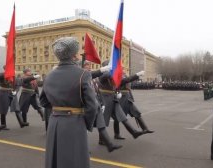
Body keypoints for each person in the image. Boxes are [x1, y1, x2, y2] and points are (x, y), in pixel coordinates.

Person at [40, 37, 99, 168]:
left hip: (54, 122)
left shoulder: (49, 75)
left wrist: (58, 109)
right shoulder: (84, 74)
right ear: (74, 55)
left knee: (55, 160)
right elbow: (92, 106)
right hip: (75, 122)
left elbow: (43, 100)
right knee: (75, 160)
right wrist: (87, 124)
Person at [97, 60, 144, 140]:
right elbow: (107, 75)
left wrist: (136, 75)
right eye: (110, 66)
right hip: (105, 99)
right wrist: (113, 70)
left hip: (113, 98)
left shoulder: (112, 75)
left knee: (121, 116)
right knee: (104, 120)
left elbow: (125, 80)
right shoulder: (102, 75)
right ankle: (101, 140)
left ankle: (133, 132)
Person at [83, 61, 122, 152]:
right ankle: (83, 148)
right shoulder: (82, 77)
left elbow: (97, 91)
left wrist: (101, 103)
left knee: (101, 124)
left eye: (90, 66)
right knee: (83, 128)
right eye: (87, 66)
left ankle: (109, 144)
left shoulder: (93, 79)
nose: (89, 67)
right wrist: (104, 70)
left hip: (95, 104)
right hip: (86, 105)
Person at [115, 70, 154, 139]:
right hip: (122, 98)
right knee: (119, 117)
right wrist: (137, 75)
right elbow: (127, 80)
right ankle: (117, 134)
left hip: (128, 97)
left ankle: (145, 128)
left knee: (137, 113)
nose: (123, 69)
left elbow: (128, 81)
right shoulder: (117, 76)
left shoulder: (124, 75)